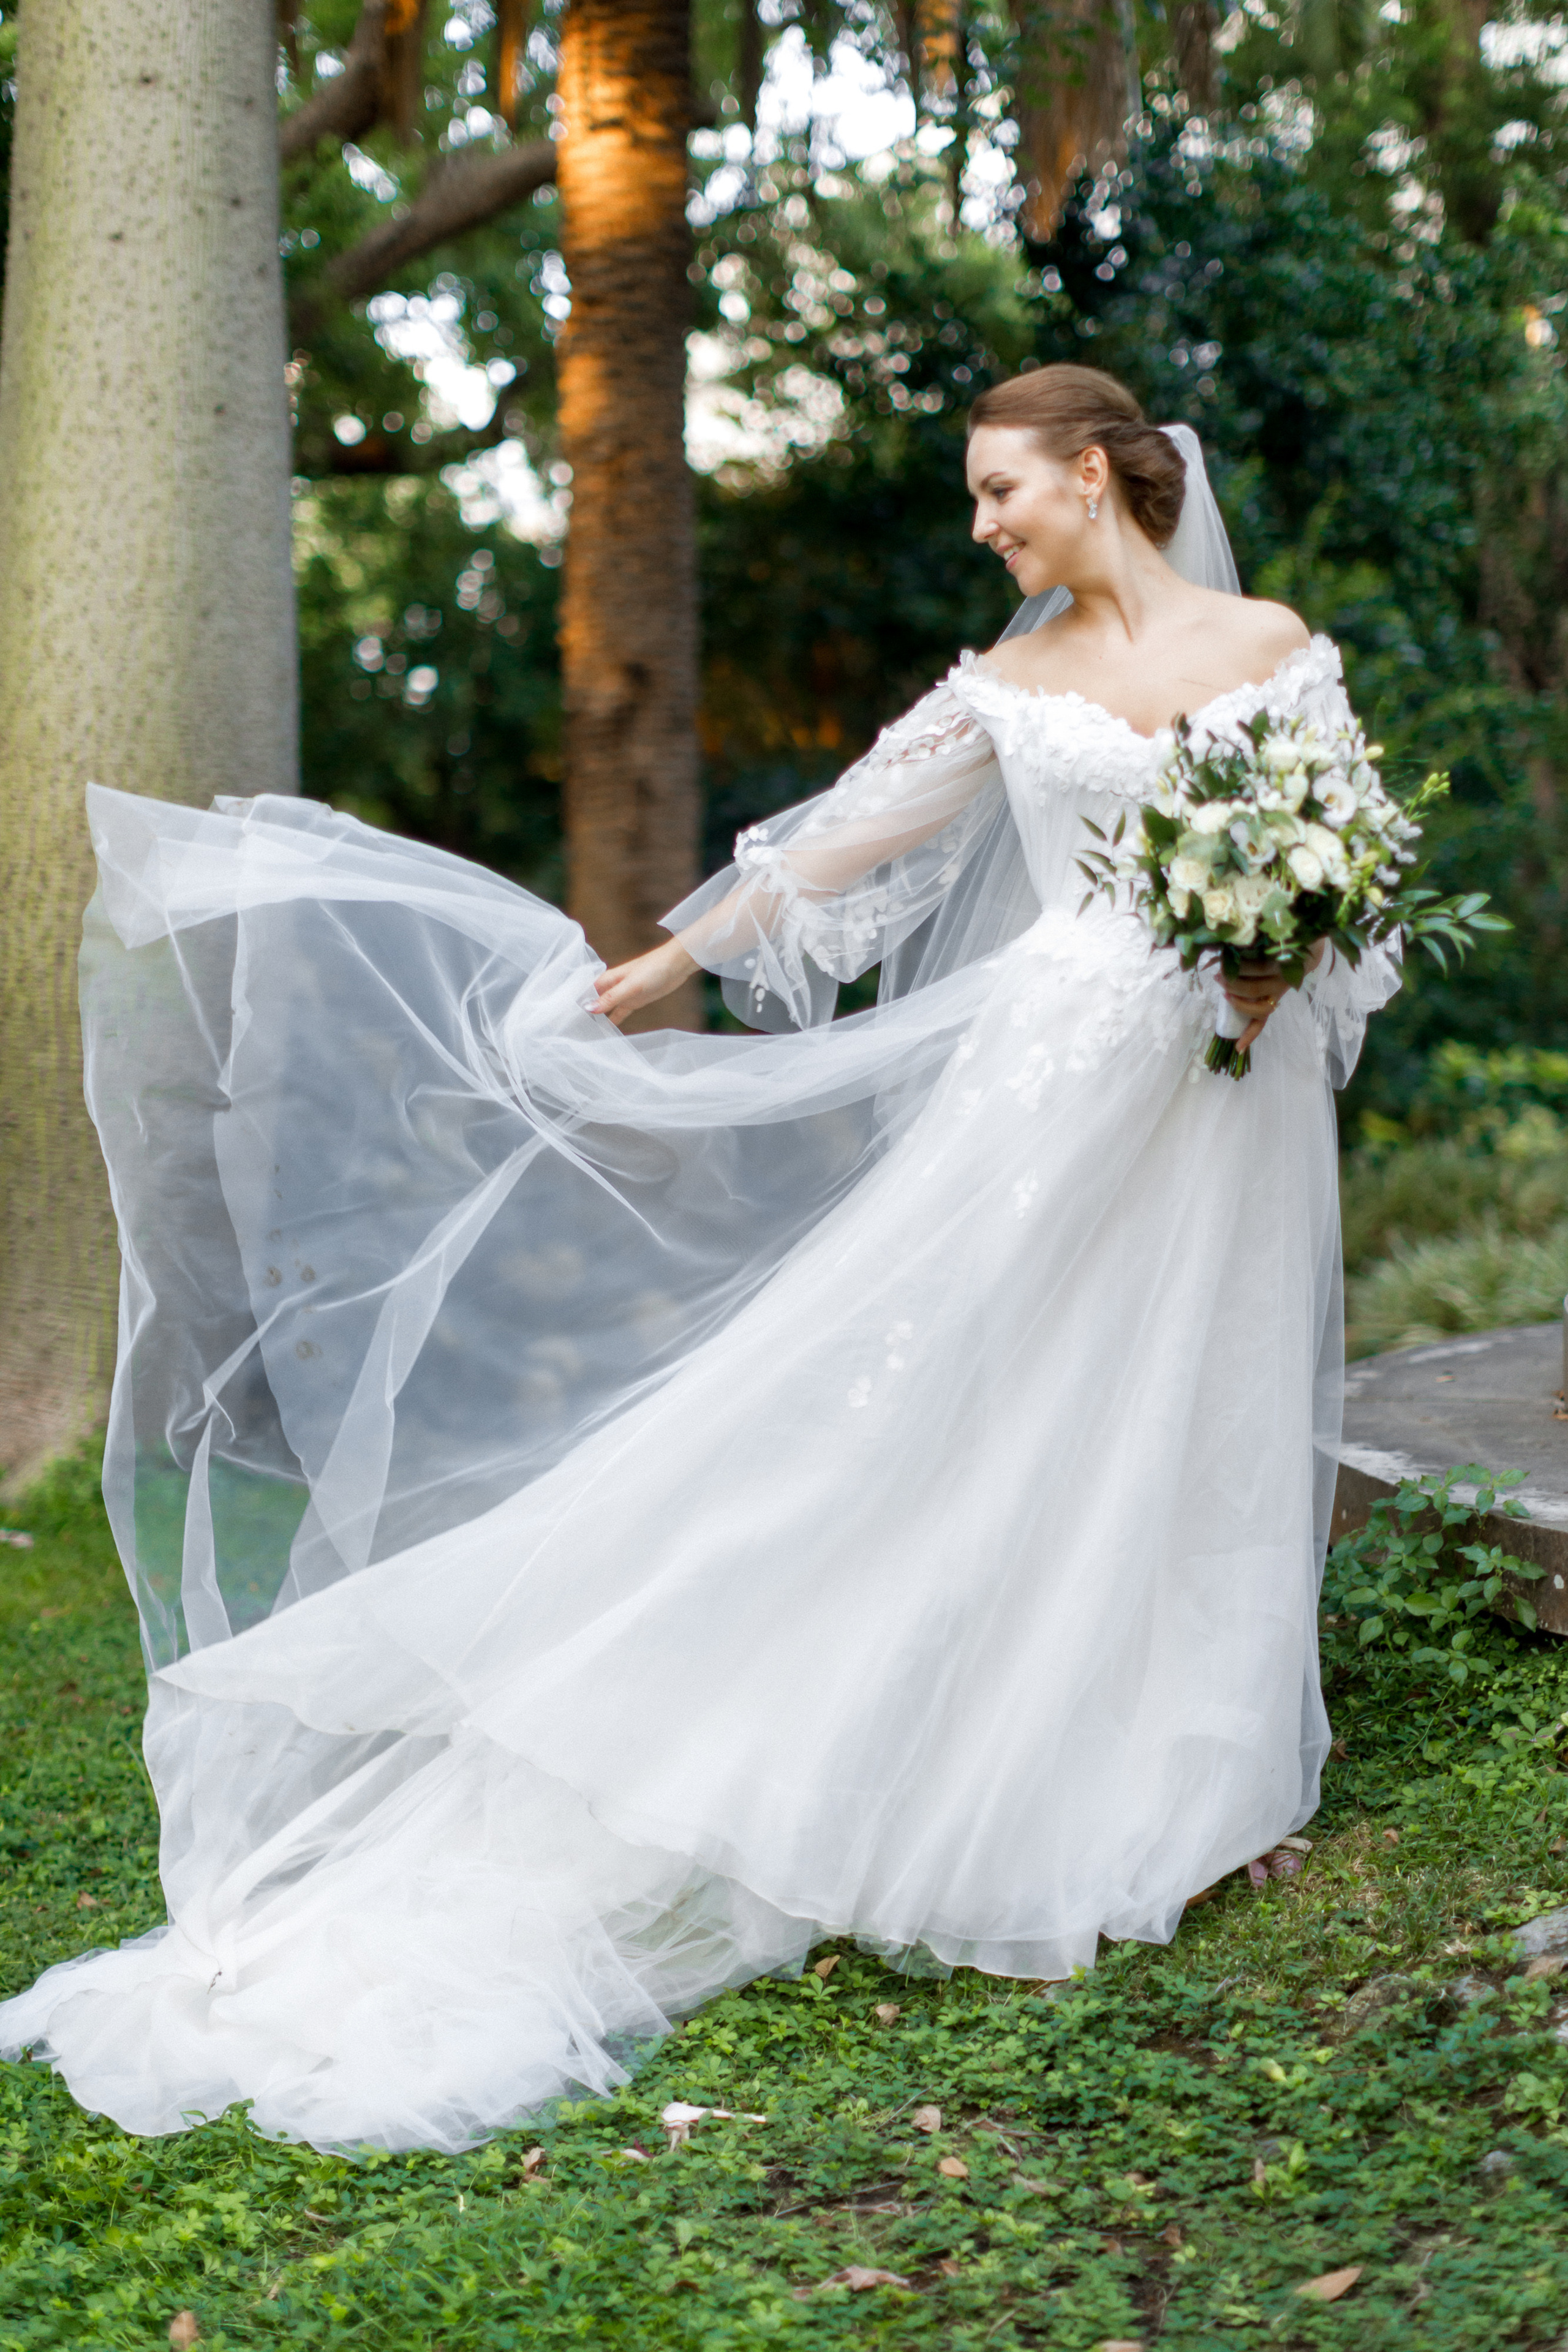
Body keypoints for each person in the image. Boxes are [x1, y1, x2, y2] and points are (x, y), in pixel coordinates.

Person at [0, 365, 1398, 2156]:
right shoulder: (1009, 686)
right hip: (1050, 1084)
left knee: (1197, 1393)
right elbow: (834, 847)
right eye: (976, 501)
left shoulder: (1271, 644)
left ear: (1103, 475)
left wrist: (1294, 950)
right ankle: (939, 1751)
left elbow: (1347, 873)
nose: (981, 528)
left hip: (1226, 1087)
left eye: (999, 492)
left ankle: (1191, 1778)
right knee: (969, 1410)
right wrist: (658, 978)